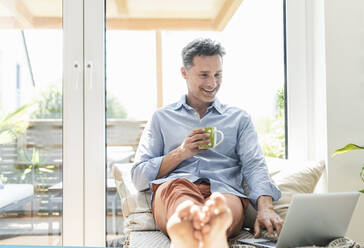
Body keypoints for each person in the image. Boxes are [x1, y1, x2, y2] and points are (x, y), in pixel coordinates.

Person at [131, 38, 283, 248]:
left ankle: (197, 234)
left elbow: (254, 165)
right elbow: (138, 178)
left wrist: (266, 207)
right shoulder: (161, 118)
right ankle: (198, 231)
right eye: (204, 75)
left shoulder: (239, 118)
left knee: (219, 212)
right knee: (186, 213)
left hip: (225, 191)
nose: (212, 83)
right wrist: (181, 153)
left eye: (217, 74)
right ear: (184, 73)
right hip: (177, 186)